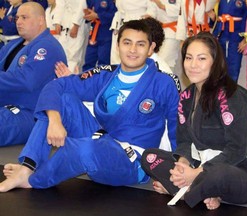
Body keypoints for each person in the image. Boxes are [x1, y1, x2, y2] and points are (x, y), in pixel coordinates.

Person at [0, 19, 180, 192]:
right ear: (117, 46)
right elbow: (56, 86)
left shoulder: (164, 83)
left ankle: (33, 180)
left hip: (131, 161)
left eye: (140, 44)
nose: (133, 50)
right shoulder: (106, 74)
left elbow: (177, 131)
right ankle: (27, 167)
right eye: (127, 43)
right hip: (102, 141)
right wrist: (55, 120)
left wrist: (171, 178)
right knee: (63, 101)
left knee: (85, 148)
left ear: (151, 49)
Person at [141, 32, 247, 210]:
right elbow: (184, 141)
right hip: (200, 167)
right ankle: (198, 191)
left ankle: (184, 190)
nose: (193, 65)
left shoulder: (233, 95)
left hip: (239, 172)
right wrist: (183, 164)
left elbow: (237, 150)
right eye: (189, 58)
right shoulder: (186, 97)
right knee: (150, 156)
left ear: (215, 62)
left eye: (201, 58)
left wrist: (196, 173)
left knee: (217, 174)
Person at [0, 2, 66, 147]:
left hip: (29, 113)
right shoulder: (14, 44)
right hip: (5, 104)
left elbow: (27, 80)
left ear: (41, 20)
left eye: (24, 17)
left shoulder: (47, 47)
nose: (19, 22)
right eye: (17, 18)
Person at [210, 0, 247, 82]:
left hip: (236, 37)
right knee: (219, 66)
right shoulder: (220, 1)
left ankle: (232, 91)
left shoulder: (243, 2)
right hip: (221, 36)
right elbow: (215, 18)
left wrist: (244, 38)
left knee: (233, 67)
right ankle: (220, 92)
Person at [144, 0, 181, 70]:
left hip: (172, 33)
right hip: (158, 32)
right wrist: (148, 16)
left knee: (165, 61)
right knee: (156, 60)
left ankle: (169, 79)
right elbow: (152, 9)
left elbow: (181, 10)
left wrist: (163, 6)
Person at [109, 0, 149, 64]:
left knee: (133, 51)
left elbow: (153, 5)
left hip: (137, 19)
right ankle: (116, 71)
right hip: (120, 19)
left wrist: (151, 14)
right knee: (116, 52)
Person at [82, 0, 117, 71]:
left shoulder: (112, 2)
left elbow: (115, 14)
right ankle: (86, 80)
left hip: (106, 33)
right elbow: (89, 10)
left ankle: (102, 80)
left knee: (103, 62)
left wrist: (98, 16)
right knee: (89, 60)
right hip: (93, 33)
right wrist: (88, 14)